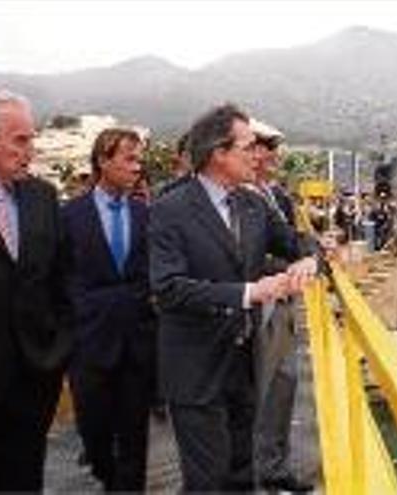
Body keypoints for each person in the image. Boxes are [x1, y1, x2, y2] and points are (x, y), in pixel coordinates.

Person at [148, 103, 318, 491]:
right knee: (207, 481)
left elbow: (297, 240)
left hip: (243, 364)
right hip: (195, 369)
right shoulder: (170, 208)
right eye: (247, 145)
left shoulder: (253, 204)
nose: (257, 154)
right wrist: (249, 292)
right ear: (218, 153)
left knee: (242, 474)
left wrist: (308, 258)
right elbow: (169, 288)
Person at [0, 90, 73, 491]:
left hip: (34, 382)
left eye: (32, 138)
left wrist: (60, 350)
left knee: (24, 483)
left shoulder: (42, 198)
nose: (31, 149)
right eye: (20, 139)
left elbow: (63, 281)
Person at [61, 128, 156, 491]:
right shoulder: (70, 215)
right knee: (95, 434)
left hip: (137, 343)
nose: (138, 166)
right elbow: (59, 278)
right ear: (103, 161)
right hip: (88, 346)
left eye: (139, 158)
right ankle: (105, 473)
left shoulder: (145, 212)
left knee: (135, 438)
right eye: (129, 159)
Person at [245, 118, 316, 492]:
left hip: (283, 301)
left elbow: (292, 239)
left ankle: (274, 467)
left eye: (275, 146)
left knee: (283, 387)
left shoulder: (274, 195)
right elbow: (247, 258)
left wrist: (310, 256)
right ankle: (254, 470)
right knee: (259, 391)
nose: (274, 154)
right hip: (256, 304)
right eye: (267, 145)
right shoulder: (239, 196)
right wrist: (289, 268)